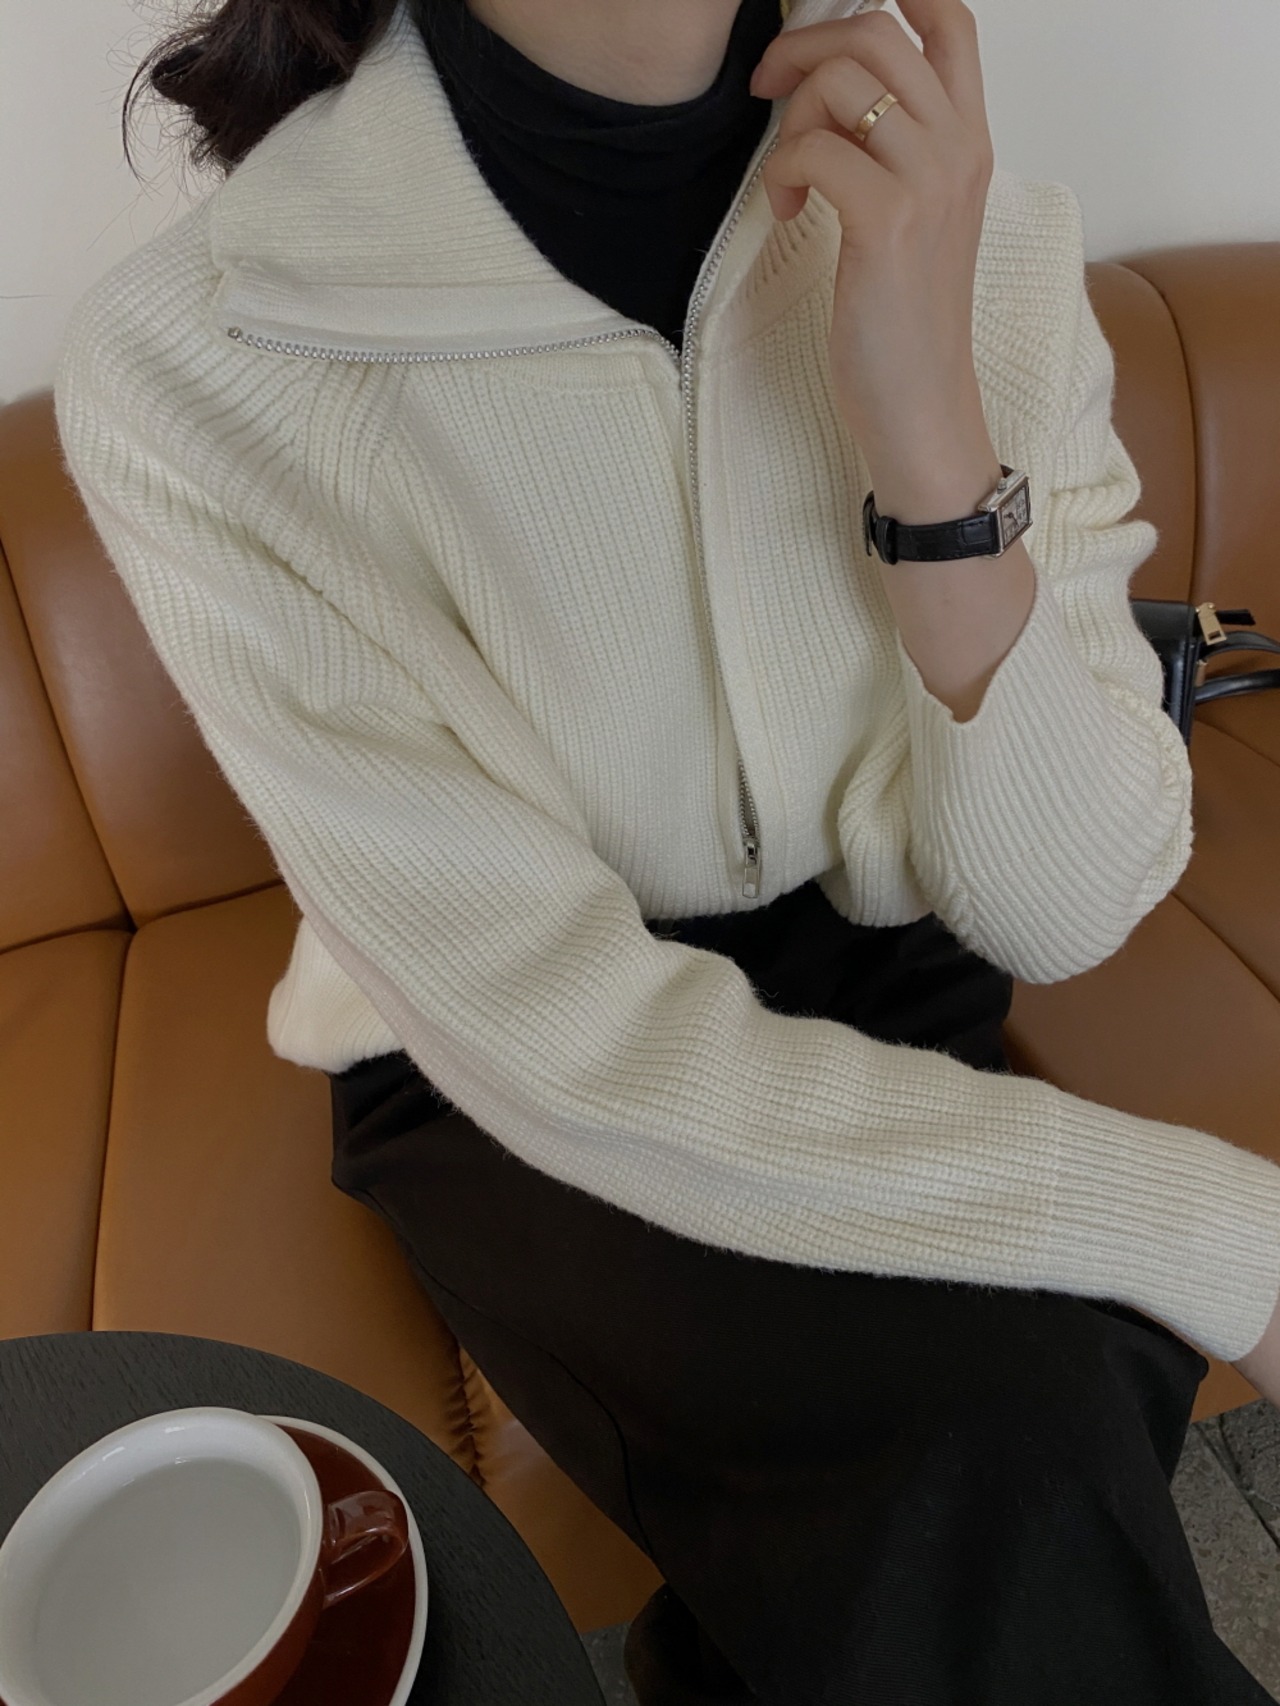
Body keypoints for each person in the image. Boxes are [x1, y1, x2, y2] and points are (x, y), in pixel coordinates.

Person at [53, 0, 1280, 1698]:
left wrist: (929, 427)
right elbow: (552, 1026)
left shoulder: (949, 205)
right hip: (498, 1066)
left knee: (988, 1448)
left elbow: (1061, 907)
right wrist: (1224, 1234)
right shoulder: (205, 355)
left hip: (879, 952)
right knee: (1012, 1433)